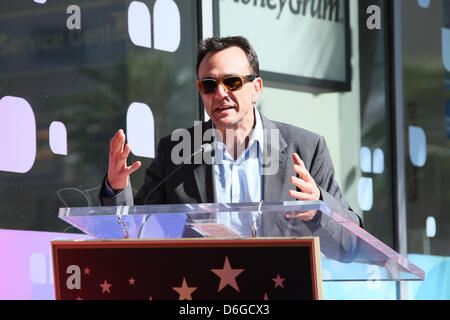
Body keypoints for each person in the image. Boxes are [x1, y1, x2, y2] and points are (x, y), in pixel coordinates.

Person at [99, 36, 362, 232]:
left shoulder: (305, 149)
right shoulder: (176, 151)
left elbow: (350, 245)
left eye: (232, 82)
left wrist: (317, 206)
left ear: (256, 88)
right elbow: (134, 231)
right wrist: (118, 189)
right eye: (209, 85)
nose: (220, 93)